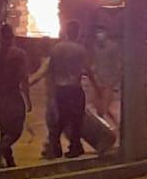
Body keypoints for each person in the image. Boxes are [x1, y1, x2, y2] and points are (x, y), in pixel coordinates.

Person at [0, 23, 31, 169]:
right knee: (16, 129)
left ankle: (9, 160)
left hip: (0, 95)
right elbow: (24, 77)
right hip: (13, 94)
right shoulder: (19, 54)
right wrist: (28, 98)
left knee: (4, 129)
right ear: (12, 37)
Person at [46, 19, 91, 158]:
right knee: (76, 119)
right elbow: (88, 70)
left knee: (62, 118)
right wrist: (97, 88)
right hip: (74, 88)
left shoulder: (56, 49)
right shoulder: (80, 50)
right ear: (77, 33)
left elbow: (50, 70)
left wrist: (51, 91)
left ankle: (55, 145)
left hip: (60, 88)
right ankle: (74, 146)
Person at [91, 25, 122, 128]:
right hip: (98, 81)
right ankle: (114, 124)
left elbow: (117, 64)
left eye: (101, 32)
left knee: (104, 107)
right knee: (99, 107)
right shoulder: (96, 48)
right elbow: (96, 63)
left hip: (109, 81)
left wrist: (116, 82)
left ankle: (111, 126)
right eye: (97, 33)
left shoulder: (113, 47)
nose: (99, 35)